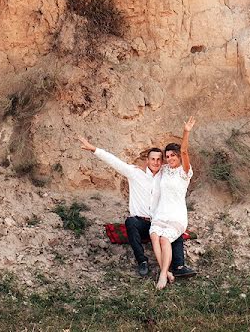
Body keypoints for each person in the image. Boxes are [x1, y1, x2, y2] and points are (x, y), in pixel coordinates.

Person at [77, 135, 195, 278]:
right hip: (141, 223)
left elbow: (177, 164)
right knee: (130, 222)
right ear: (147, 160)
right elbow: (115, 162)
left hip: (159, 220)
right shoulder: (135, 173)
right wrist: (94, 149)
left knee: (173, 230)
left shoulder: (165, 174)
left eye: (159, 159)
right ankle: (142, 261)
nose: (156, 162)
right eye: (153, 159)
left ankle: (178, 266)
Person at [150, 116, 195, 289]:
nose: (169, 159)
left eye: (172, 155)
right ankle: (167, 271)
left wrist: (186, 132)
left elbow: (184, 151)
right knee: (155, 236)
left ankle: (162, 275)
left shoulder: (185, 172)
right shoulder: (165, 169)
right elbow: (151, 165)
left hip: (176, 214)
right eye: (167, 156)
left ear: (178, 156)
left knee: (164, 240)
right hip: (161, 212)